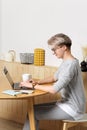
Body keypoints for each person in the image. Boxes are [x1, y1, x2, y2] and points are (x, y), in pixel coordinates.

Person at [20, 33, 86, 130]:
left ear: (64, 47)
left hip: (73, 109)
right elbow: (54, 77)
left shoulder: (70, 65)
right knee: (32, 109)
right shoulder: (67, 62)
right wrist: (38, 82)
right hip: (66, 103)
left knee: (33, 113)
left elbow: (54, 89)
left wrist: (32, 86)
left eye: (54, 49)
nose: (53, 52)